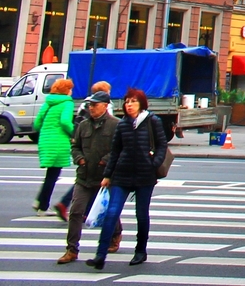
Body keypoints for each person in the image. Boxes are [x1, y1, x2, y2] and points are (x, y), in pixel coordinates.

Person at [86, 88, 167, 270]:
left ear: (141, 104)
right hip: (122, 174)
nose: (129, 105)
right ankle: (100, 255)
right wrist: (107, 175)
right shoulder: (123, 124)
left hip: (145, 176)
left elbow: (162, 144)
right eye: (127, 102)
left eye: (133, 102)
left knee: (141, 214)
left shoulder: (152, 121)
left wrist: (154, 163)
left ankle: (140, 251)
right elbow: (115, 151)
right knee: (112, 212)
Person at [61, 90, 120, 264]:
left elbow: (119, 149)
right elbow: (75, 147)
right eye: (90, 105)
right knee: (76, 211)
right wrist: (78, 159)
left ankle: (115, 234)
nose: (91, 108)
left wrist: (105, 161)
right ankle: (71, 249)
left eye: (94, 105)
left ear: (104, 106)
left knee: (108, 211)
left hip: (104, 177)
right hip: (84, 177)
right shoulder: (83, 125)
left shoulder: (116, 125)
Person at [35, 76, 75, 217]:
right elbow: (65, 121)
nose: (71, 92)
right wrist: (74, 132)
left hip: (45, 141)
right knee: (53, 175)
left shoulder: (48, 102)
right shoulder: (67, 103)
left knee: (50, 174)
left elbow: (37, 123)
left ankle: (40, 201)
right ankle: (43, 206)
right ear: (66, 90)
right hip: (58, 142)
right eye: (70, 89)